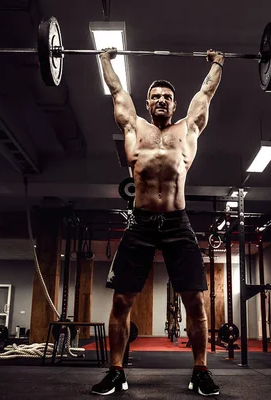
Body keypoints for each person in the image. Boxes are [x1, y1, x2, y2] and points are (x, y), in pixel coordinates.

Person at [91, 47, 224, 397]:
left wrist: (218, 63)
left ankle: (200, 370)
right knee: (122, 300)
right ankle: (117, 371)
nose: (161, 100)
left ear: (175, 105)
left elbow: (206, 92)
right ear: (148, 104)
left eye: (167, 96)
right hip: (141, 223)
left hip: (178, 223)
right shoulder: (135, 127)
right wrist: (105, 59)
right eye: (155, 97)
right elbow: (118, 91)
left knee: (194, 300)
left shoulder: (187, 129)